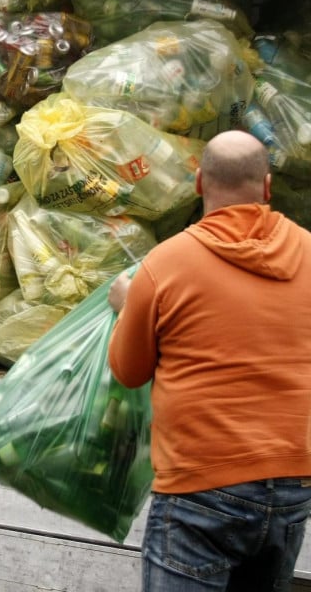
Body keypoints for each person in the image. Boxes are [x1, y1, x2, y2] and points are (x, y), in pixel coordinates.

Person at [107, 130, 311, 592]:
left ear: (199, 182)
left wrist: (125, 308)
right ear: (267, 186)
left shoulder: (167, 263)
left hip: (200, 485)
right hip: (293, 482)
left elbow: (128, 370)